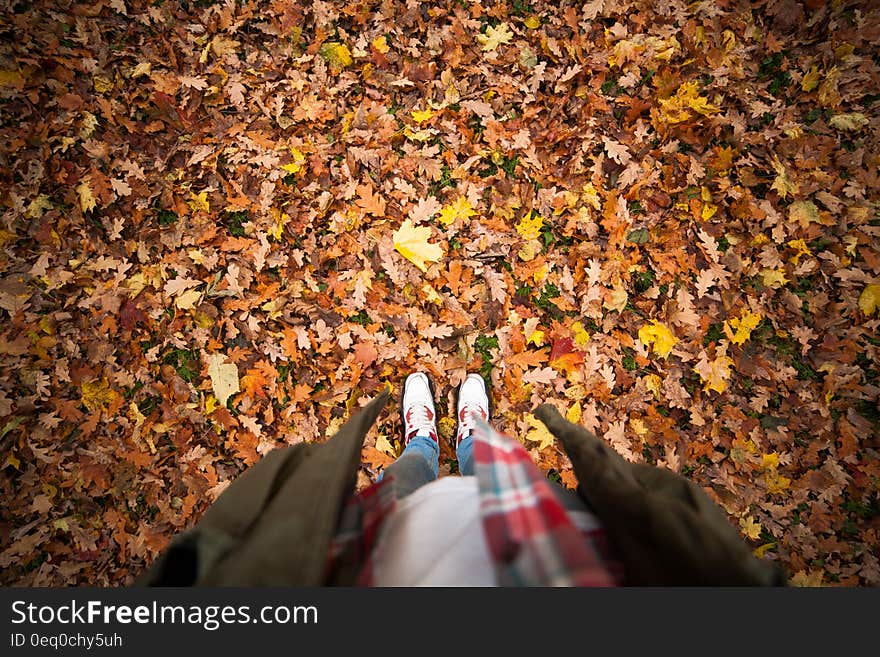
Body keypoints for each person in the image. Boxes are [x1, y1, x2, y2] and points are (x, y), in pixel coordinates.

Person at [140, 373, 785, 586]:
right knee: (488, 465)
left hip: (374, 558)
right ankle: (470, 435)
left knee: (408, 480)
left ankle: (425, 439)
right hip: (565, 543)